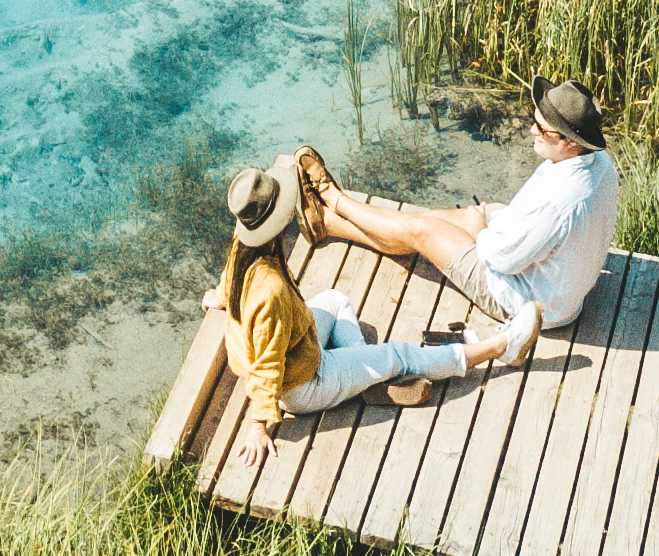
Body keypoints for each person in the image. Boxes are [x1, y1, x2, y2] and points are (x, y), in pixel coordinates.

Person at [208, 158, 537, 469]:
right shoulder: (270, 291)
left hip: (301, 347)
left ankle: (366, 381)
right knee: (399, 355)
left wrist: (220, 298)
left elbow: (231, 284)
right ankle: (500, 347)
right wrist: (258, 426)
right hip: (303, 383)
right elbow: (268, 361)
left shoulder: (244, 245)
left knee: (336, 300)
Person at [310, 78, 619, 339]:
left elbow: (501, 259)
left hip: (531, 303)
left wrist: (478, 231)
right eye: (534, 119)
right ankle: (329, 223)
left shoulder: (560, 201)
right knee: (431, 219)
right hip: (555, 283)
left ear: (572, 143)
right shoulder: (599, 163)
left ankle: (335, 199)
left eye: (542, 128)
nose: (531, 131)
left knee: (423, 230)